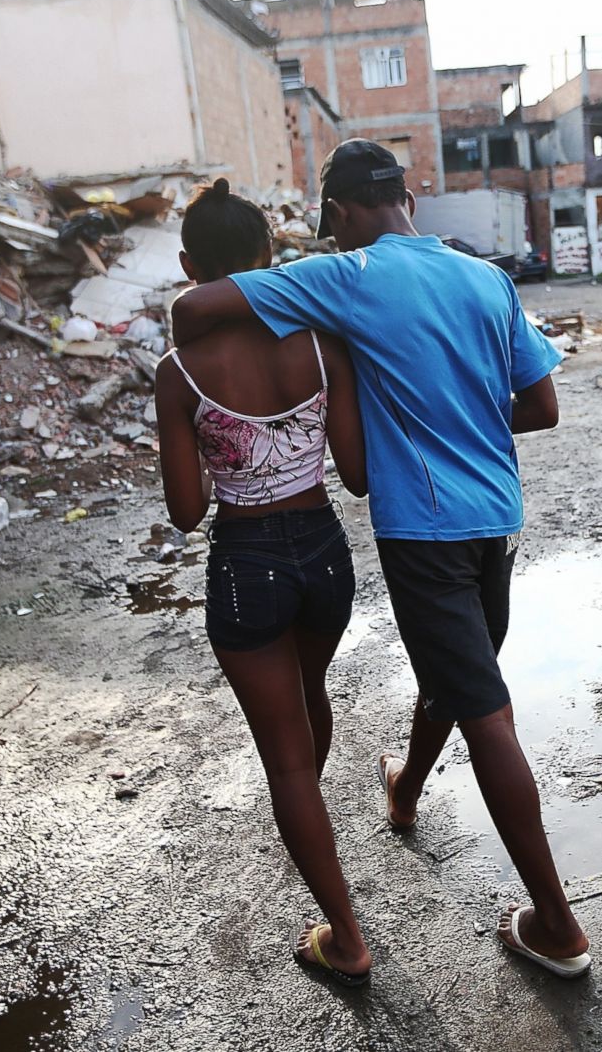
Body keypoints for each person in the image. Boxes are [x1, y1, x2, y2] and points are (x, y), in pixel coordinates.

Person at [172, 140, 592, 979]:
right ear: (409, 195)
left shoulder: (348, 276)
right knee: (458, 671)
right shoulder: (485, 277)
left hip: (425, 532)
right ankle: (403, 789)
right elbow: (540, 405)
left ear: (337, 216)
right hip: (493, 522)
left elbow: (194, 312)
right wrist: (462, 413)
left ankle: (558, 924)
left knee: (484, 709)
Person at [154, 178, 373, 987]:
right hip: (324, 552)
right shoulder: (322, 345)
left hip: (246, 563)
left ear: (188, 266)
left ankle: (345, 936)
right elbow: (354, 473)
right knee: (309, 692)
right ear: (271, 257)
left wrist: (227, 451)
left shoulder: (178, 371)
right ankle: (308, 826)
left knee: (283, 758)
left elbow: (184, 510)